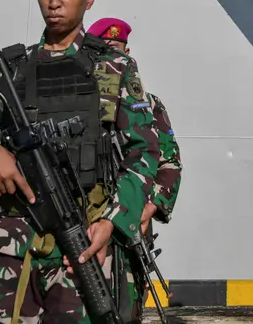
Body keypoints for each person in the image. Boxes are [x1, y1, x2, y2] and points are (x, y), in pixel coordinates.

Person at [0, 0, 161, 324]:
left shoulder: (113, 67)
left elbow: (144, 152)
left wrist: (113, 221)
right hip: (13, 243)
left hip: (84, 238)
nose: (54, 2)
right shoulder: (12, 69)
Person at [86, 17, 182, 324]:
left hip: (132, 225)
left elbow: (169, 163)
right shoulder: (80, 104)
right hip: (87, 221)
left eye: (119, 49)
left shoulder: (150, 106)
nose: (115, 56)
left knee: (128, 312)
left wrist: (150, 207)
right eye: (106, 49)